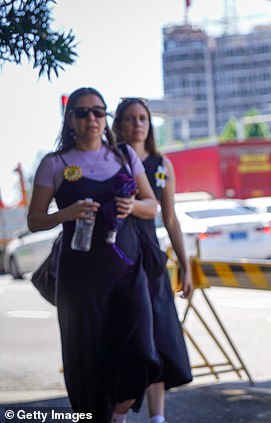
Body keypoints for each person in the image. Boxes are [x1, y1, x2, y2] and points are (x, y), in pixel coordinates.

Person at [28, 87, 162, 423]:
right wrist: (66, 213)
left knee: (140, 349)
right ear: (70, 119)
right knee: (86, 357)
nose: (92, 118)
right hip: (79, 278)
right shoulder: (55, 163)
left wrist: (133, 205)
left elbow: (152, 205)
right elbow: (34, 220)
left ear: (106, 119)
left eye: (98, 112)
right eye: (83, 112)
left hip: (127, 272)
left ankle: (117, 412)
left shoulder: (124, 156)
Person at [112, 97, 193, 423]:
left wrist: (186, 266)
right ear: (119, 124)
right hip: (117, 256)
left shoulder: (162, 164)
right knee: (128, 339)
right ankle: (118, 413)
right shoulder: (110, 159)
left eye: (143, 117)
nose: (138, 123)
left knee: (160, 337)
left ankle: (157, 417)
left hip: (151, 259)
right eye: (130, 118)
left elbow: (170, 219)